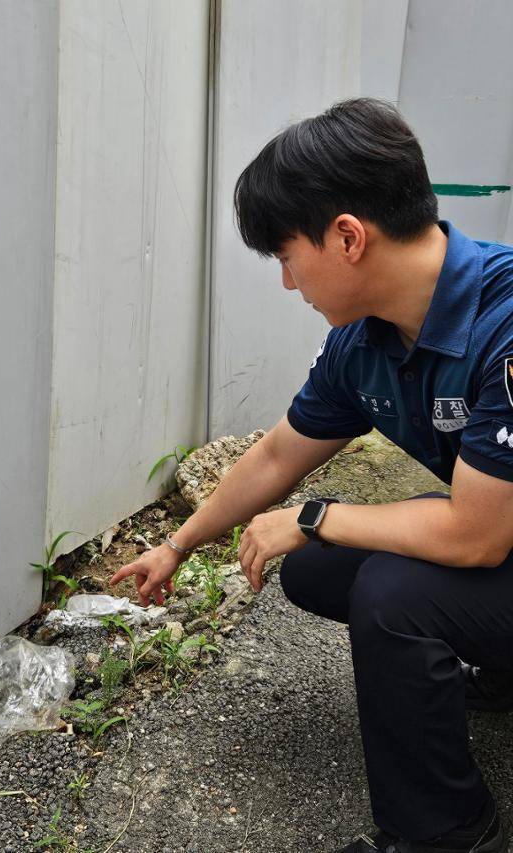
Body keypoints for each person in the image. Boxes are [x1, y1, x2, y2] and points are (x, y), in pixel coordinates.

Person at [109, 97, 513, 852]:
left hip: (498, 535)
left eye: (287, 255)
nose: (290, 282)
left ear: (348, 237)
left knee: (395, 592)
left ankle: (444, 834)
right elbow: (276, 454)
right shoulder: (365, 340)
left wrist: (313, 515)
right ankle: (498, 667)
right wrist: (180, 545)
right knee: (319, 573)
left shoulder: (507, 319)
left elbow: (479, 536)